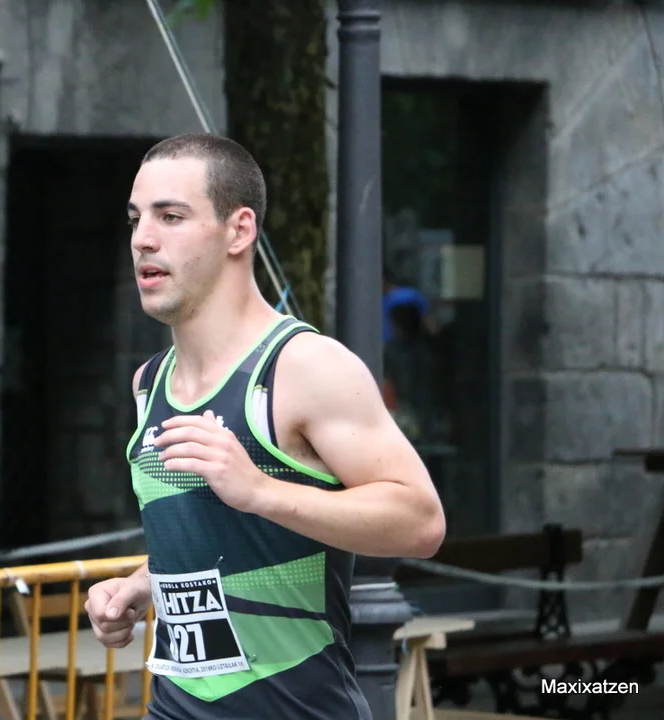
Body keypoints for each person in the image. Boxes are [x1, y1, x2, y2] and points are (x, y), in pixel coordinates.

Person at [83, 132, 446, 720]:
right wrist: (141, 583)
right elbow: (222, 537)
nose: (143, 238)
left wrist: (260, 490)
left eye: (171, 216)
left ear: (239, 230)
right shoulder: (149, 383)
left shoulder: (305, 367)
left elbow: (421, 522)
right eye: (135, 218)